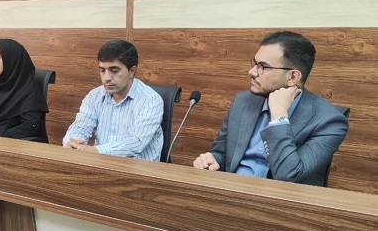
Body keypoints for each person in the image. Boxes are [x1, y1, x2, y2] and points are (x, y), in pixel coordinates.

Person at [193, 31, 348, 186]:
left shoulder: (329, 121)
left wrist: (279, 117)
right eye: (254, 64)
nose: (252, 72)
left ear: (292, 77)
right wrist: (213, 160)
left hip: (278, 199)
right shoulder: (242, 102)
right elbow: (221, 153)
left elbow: (288, 175)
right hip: (232, 190)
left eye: (264, 67)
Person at [63, 39, 163, 160]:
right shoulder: (94, 96)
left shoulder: (150, 100)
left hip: (138, 168)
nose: (106, 78)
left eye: (114, 71)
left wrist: (97, 151)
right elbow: (80, 126)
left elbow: (136, 143)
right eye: (102, 70)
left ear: (132, 71)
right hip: (101, 165)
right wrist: (72, 144)